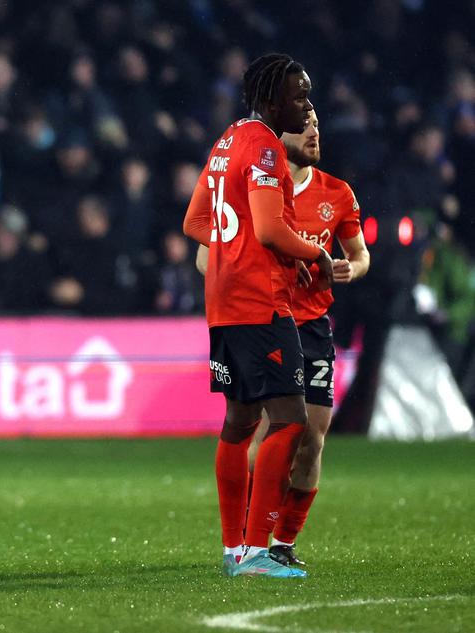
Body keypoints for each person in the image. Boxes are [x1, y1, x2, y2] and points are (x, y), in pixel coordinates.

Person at [182, 53, 333, 578]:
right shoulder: (267, 148)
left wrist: (230, 250)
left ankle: (233, 549)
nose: (307, 105)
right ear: (271, 100)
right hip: (259, 303)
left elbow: (195, 220)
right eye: (299, 95)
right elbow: (271, 232)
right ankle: (253, 550)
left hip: (223, 302)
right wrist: (316, 256)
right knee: (291, 420)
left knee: (241, 420)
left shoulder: (227, 140)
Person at [199, 110, 370, 566]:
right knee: (263, 425)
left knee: (312, 435)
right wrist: (248, 269)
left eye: (318, 122)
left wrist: (349, 269)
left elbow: (360, 254)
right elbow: (204, 252)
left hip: (310, 324)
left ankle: (279, 543)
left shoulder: (337, 193)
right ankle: (248, 542)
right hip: (262, 317)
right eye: (305, 121)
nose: (315, 130)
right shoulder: (253, 178)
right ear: (281, 131)